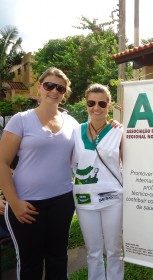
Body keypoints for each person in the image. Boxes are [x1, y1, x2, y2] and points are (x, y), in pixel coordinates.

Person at [0, 67, 78, 279]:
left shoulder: (72, 124)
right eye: (49, 85)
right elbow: (3, 162)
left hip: (62, 202)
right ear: (39, 87)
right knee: (30, 264)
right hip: (27, 204)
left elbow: (92, 142)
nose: (54, 91)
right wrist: (13, 202)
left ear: (65, 93)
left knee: (58, 259)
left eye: (60, 88)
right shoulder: (21, 119)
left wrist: (114, 126)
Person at [72, 84, 124, 280]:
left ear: (109, 105)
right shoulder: (76, 131)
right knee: (93, 251)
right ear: (86, 104)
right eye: (91, 103)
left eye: (102, 103)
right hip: (85, 199)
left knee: (114, 250)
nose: (96, 108)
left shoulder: (118, 131)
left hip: (112, 199)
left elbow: (127, 163)